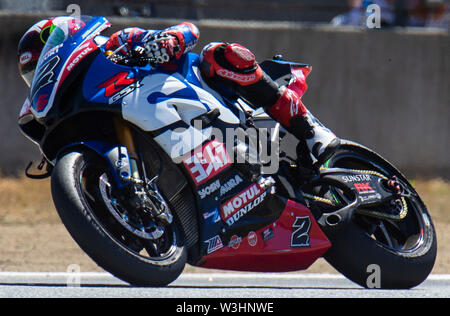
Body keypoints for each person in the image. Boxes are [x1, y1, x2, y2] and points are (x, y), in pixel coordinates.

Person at [17, 17, 340, 165]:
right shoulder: (59, 107)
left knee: (222, 53)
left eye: (39, 66)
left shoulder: (117, 44)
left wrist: (168, 41)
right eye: (31, 74)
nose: (39, 76)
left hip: (204, 95)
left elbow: (188, 30)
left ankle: (312, 131)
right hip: (166, 139)